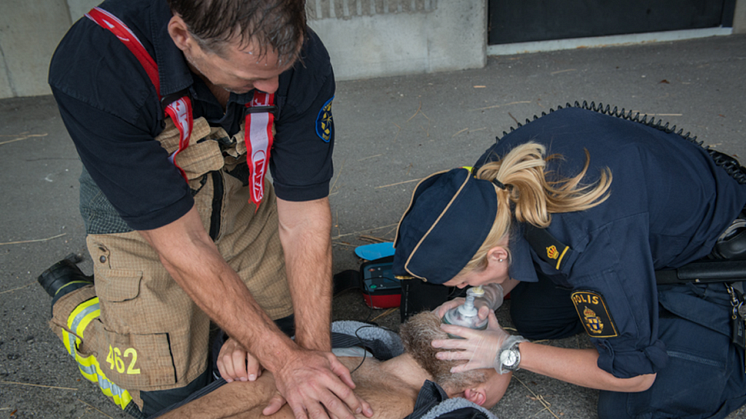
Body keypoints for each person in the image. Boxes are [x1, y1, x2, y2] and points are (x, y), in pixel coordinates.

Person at [40, 0, 370, 418]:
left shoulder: (294, 56)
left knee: (282, 343)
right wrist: (286, 362)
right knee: (177, 398)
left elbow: (304, 217)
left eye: (280, 72)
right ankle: (79, 307)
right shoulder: (95, 67)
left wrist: (311, 357)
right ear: (183, 37)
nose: (272, 88)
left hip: (236, 199)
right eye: (252, 77)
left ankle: (220, 333)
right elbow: (183, 243)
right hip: (140, 226)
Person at [391, 104, 746, 418]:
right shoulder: (490, 182)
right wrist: (490, 296)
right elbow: (518, 243)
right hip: (641, 233)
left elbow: (636, 375)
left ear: (497, 255)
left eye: (464, 282)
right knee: (535, 317)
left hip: (708, 257)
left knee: (634, 405)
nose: (465, 290)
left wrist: (506, 352)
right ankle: (638, 310)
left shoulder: (592, 245)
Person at [156, 312, 508, 418]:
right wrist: (241, 341)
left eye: (489, 334)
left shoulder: (422, 409)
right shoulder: (349, 342)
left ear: (474, 394)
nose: (477, 314)